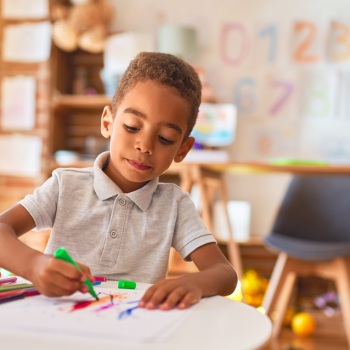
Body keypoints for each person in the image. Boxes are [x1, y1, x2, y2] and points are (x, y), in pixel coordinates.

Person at [0, 52, 237, 310]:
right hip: (60, 320)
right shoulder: (65, 185)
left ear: (182, 149)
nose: (144, 146)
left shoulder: (175, 205)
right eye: (133, 127)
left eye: (166, 138)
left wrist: (195, 284)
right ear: (108, 122)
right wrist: (34, 266)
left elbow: (224, 273)